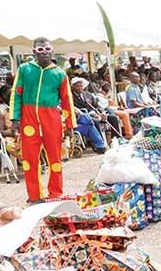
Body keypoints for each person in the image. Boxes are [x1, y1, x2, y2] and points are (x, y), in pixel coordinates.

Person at [10, 37, 76, 203]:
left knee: (55, 158)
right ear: (34, 52)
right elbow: (16, 93)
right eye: (40, 49)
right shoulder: (24, 69)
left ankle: (55, 193)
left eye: (47, 49)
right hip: (28, 118)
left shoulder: (59, 74)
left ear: (52, 50)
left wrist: (69, 125)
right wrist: (14, 118)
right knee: (29, 159)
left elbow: (67, 100)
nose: (44, 52)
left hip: (52, 119)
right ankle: (34, 195)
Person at [69, 77, 108, 153]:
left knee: (112, 118)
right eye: (77, 86)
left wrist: (102, 112)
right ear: (72, 87)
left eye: (81, 86)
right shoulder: (70, 96)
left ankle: (105, 143)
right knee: (94, 121)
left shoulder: (87, 94)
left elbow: (97, 105)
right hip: (80, 117)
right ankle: (98, 145)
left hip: (92, 113)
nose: (80, 87)